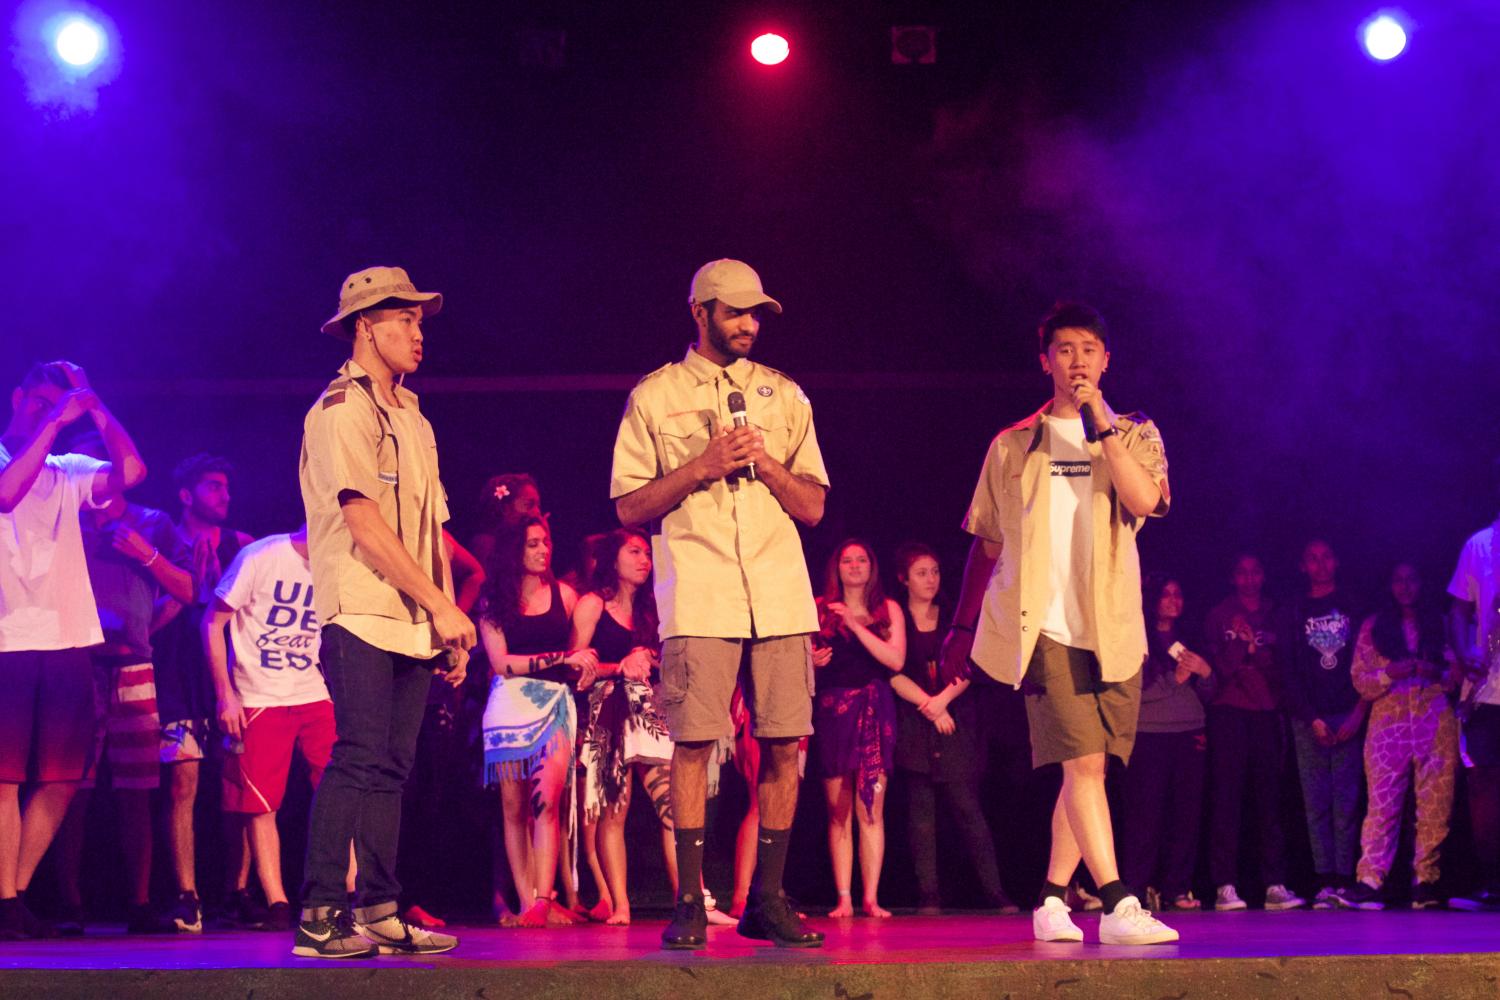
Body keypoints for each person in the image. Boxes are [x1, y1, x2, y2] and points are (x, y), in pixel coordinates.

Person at [943, 302, 1178, 946]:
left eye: (1088, 350)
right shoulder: (1012, 444)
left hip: (1113, 628)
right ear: (1044, 359)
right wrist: (961, 630)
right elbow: (985, 544)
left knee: (1091, 769)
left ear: (1106, 360)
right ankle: (1117, 901)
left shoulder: (1134, 432)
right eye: (1064, 349)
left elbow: (1144, 501)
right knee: (1084, 768)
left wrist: (1100, 423)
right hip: (1041, 627)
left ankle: (1050, 899)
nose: (1077, 361)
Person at [611, 258, 827, 950]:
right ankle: (688, 902)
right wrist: (701, 465)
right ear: (699, 314)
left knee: (784, 744)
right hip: (701, 591)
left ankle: (767, 897)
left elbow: (815, 506)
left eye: (756, 313)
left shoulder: (785, 396)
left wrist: (764, 463)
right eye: (734, 312)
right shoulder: (656, 395)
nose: (748, 324)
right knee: (695, 742)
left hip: (780, 592)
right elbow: (627, 504)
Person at [295, 265, 473, 958]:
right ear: (365, 326)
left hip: (412, 615)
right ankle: (318, 912)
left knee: (395, 765)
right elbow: (365, 525)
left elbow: (430, 533)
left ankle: (378, 907)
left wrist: (444, 620)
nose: (417, 333)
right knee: (358, 756)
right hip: (362, 611)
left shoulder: (412, 413)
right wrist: (438, 606)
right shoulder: (342, 409)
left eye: (421, 320)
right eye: (404, 320)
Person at [0, 360, 146, 939]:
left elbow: (132, 472)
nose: (46, 412)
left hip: (66, 638)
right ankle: (4, 899)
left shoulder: (70, 468)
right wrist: (54, 424)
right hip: (7, 637)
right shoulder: (12, 457)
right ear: (17, 398)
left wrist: (96, 404)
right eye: (37, 401)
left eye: (54, 404)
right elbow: (8, 497)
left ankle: (13, 893)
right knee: (5, 777)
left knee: (62, 778)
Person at [53, 428, 192, 935]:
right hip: (77, 666)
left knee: (137, 790)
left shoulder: (151, 522)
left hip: (134, 668)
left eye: (104, 467)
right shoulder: (65, 519)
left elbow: (189, 589)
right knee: (70, 788)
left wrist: (145, 556)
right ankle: (68, 903)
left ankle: (137, 903)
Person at [203, 525, 340, 932]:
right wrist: (225, 694)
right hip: (260, 694)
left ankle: (349, 892)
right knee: (260, 803)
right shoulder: (261, 556)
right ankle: (278, 901)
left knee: (340, 789)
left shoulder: (339, 563)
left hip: (312, 690)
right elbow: (213, 623)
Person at [150, 452, 256, 933]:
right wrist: (190, 588)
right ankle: (186, 895)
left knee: (239, 784)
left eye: (227, 487)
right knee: (182, 784)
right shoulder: (161, 540)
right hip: (177, 680)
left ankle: (240, 891)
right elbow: (147, 620)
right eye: (214, 487)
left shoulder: (244, 547)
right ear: (187, 495)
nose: (225, 495)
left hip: (235, 682)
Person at [478, 516, 595, 928]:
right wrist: (562, 660)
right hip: (508, 708)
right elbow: (501, 663)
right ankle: (528, 900)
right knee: (514, 809)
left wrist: (583, 665)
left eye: (546, 542)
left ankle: (544, 900)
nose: (544, 550)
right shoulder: (493, 601)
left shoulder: (565, 596)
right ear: (515, 550)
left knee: (546, 801)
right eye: (533, 544)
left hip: (553, 706)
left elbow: (582, 652)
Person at [888, 543, 1012, 915]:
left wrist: (942, 701)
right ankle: (928, 895)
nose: (930, 579)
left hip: (954, 720)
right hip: (915, 721)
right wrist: (928, 706)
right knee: (920, 815)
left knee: (968, 810)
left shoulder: (953, 619)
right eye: (921, 572)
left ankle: (995, 892)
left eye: (935, 571)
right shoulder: (895, 620)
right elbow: (891, 671)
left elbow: (972, 664)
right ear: (904, 579)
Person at [1333, 563, 1459, 911]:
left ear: (1422, 583)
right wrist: (1390, 672)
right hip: (1388, 727)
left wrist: (1436, 671)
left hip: (1434, 721)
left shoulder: (1441, 623)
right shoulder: (1375, 626)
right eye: (1398, 580)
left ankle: (1426, 881)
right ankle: (1371, 880)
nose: (1405, 587)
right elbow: (1360, 679)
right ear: (1389, 585)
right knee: (1382, 804)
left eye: (1412, 579)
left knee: (1435, 805)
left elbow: (1457, 674)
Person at [571, 529, 676, 925]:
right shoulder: (593, 604)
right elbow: (575, 666)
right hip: (608, 713)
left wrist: (649, 658)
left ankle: (693, 900)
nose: (644, 559)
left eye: (647, 553)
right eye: (634, 552)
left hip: (649, 714)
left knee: (674, 807)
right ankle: (620, 904)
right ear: (612, 560)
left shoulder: (656, 607)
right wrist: (621, 667)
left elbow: (669, 662)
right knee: (615, 811)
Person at [1202, 554, 1304, 912]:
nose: (1249, 579)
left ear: (1262, 576)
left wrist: (1254, 649)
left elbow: (1282, 670)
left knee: (1269, 801)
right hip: (1229, 714)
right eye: (1242, 572)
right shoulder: (1219, 614)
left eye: (1255, 572)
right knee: (1227, 800)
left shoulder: (1277, 613)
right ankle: (1224, 885)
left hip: (1264, 713)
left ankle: (1275, 884)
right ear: (1234, 577)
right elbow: (1218, 670)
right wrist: (1238, 645)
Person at [812, 540, 904, 918]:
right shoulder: (819, 608)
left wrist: (854, 623)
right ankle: (844, 897)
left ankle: (871, 897)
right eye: (846, 560)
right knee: (839, 810)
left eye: (861, 559)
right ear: (836, 567)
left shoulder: (888, 609)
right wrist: (813, 663)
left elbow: (894, 660)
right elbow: (806, 666)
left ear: (871, 566)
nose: (854, 565)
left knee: (871, 810)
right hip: (834, 713)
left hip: (873, 712)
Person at [1280, 538, 1367, 907]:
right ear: (1303, 566)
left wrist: (1358, 713)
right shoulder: (1294, 609)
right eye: (1312, 559)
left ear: (1336, 561)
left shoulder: (1353, 605)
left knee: (1346, 802)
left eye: (1326, 557)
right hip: (1309, 719)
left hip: (1348, 714)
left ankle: (1346, 879)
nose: (1320, 564)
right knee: (1316, 802)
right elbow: (1288, 670)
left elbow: (1369, 660)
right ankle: (1324, 879)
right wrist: (1311, 717)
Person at [1119, 575, 1214, 912]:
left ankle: (1177, 889)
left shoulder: (1190, 637)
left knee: (1185, 814)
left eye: (1178, 594)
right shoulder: (1136, 637)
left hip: (1190, 731)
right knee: (1145, 814)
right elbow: (1132, 694)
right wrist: (1174, 681)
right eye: (1166, 594)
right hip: (1149, 733)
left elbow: (1207, 694)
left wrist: (1205, 673)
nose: (1173, 600)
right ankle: (1136, 888)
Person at [1446, 495, 1500, 912]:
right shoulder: (1479, 545)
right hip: (1487, 690)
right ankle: (1493, 882)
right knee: (1483, 788)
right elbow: (1459, 610)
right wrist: (1465, 652)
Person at [471, 474, 543, 568]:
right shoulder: (485, 544)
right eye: (529, 504)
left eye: (538, 506)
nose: (537, 512)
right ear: (505, 508)